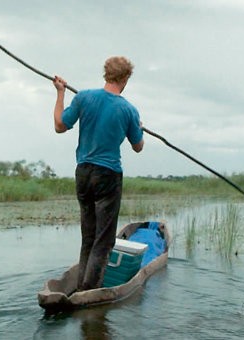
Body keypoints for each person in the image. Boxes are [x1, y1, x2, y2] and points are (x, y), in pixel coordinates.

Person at [52, 56, 144, 291]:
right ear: (125, 78)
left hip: (83, 173)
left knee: (89, 238)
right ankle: (89, 292)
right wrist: (139, 127)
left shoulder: (83, 97)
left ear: (106, 75)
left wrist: (60, 93)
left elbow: (59, 126)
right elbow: (138, 146)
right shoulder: (128, 109)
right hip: (108, 176)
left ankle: (83, 286)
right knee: (103, 242)